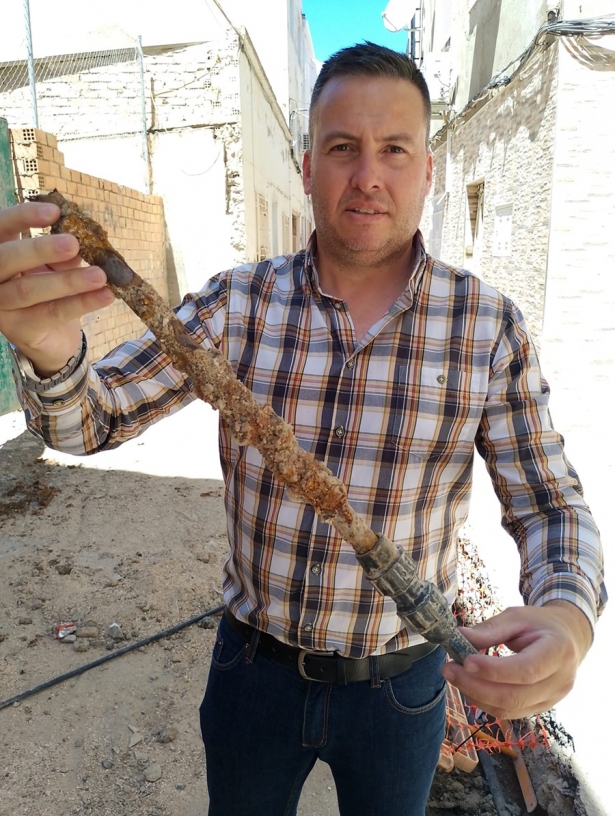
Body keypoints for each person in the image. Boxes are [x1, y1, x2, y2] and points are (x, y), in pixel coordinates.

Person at [0, 42, 606, 816]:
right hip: (254, 675)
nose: (367, 175)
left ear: (428, 168)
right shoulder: (234, 306)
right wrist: (55, 355)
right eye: (342, 148)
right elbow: (93, 420)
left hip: (404, 689)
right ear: (306, 162)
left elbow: (550, 505)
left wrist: (567, 617)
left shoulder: (485, 327)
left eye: (394, 149)